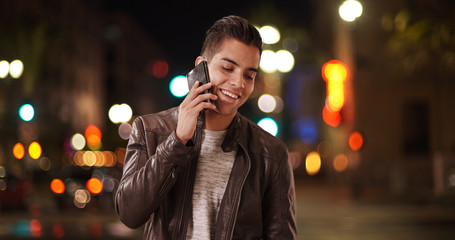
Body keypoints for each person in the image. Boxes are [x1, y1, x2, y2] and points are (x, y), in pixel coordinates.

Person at [115, 15, 297, 240]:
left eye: (249, 75)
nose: (239, 83)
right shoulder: (150, 130)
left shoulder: (271, 154)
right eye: (228, 68)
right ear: (201, 66)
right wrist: (177, 141)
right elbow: (129, 213)